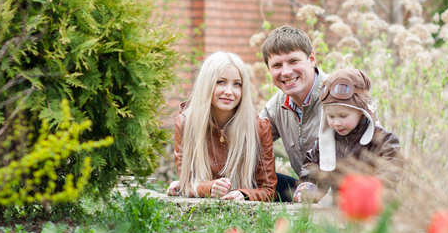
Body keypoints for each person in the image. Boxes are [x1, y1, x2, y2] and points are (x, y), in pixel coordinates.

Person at [167, 51, 277, 202]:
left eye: (237, 84)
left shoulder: (259, 127)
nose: (229, 92)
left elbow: (269, 190)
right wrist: (208, 188)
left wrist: (244, 194)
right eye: (221, 82)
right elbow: (187, 182)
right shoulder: (186, 123)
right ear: (207, 84)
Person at [293, 67, 402, 202]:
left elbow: (390, 171)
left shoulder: (383, 140)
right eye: (331, 116)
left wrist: (372, 191)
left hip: (378, 206)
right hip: (343, 208)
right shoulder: (327, 142)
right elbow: (313, 167)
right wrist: (309, 185)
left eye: (343, 116)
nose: (337, 123)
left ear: (362, 111)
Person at [258, 26, 327, 202]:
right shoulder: (277, 104)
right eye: (277, 65)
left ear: (311, 59)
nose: (286, 72)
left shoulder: (340, 95)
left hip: (348, 198)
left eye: (293, 61)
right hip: (307, 192)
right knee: (252, 178)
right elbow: (248, 142)